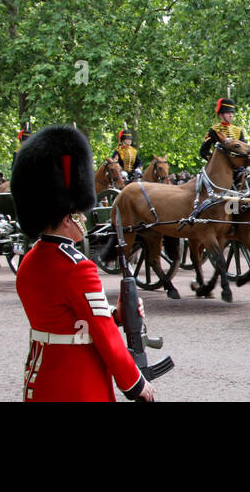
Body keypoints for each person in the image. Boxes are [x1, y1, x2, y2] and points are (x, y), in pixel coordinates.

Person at [12, 124, 154, 402]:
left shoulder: (30, 260)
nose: (84, 220)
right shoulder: (77, 267)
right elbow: (101, 333)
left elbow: (65, 316)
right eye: (79, 215)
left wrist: (117, 315)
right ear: (67, 219)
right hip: (78, 382)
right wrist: (135, 383)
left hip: (42, 379)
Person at [199, 98, 244, 162]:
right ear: (221, 115)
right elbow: (204, 151)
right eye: (228, 113)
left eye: (232, 112)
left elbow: (244, 150)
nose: (231, 115)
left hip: (237, 166)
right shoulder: (214, 130)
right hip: (219, 164)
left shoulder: (238, 131)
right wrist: (214, 160)